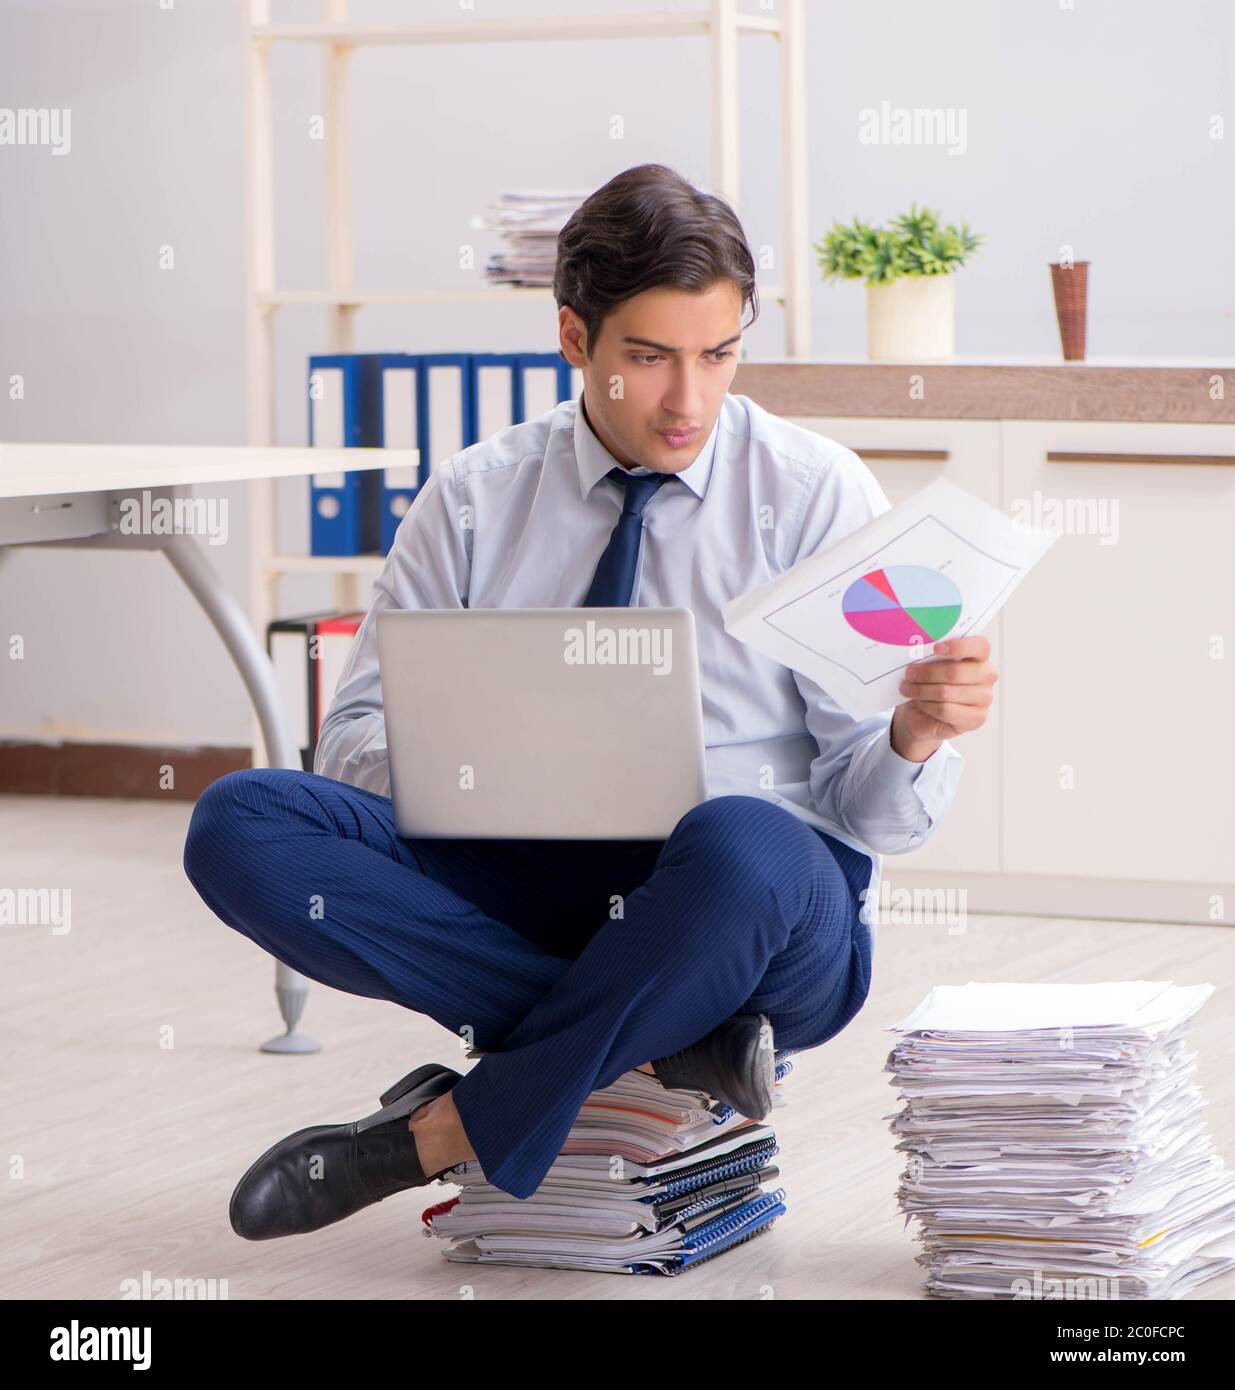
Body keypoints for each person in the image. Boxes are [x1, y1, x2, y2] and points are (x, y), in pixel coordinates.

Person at [182, 163, 997, 1241]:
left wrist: (912, 733)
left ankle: (431, 1135)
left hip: (755, 917)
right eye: (650, 358)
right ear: (575, 339)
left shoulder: (815, 494)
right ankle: (677, 1036)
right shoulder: (473, 498)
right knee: (238, 823)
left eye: (717, 355)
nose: (688, 400)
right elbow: (352, 744)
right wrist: (478, 764)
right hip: (530, 879)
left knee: (740, 838)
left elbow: (879, 816)